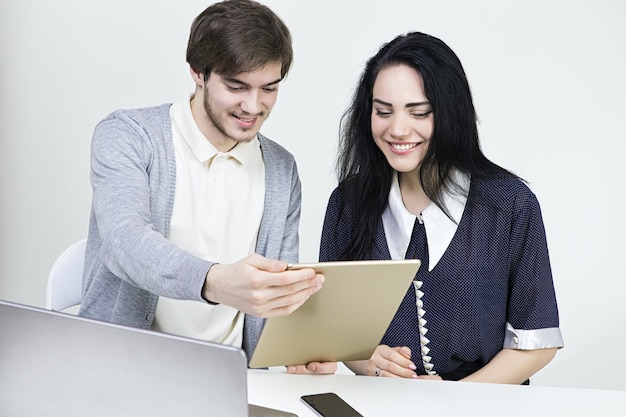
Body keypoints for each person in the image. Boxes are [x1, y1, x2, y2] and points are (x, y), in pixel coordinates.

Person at [79, 0, 335, 374]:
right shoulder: (128, 136)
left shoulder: (281, 169)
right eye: (236, 86)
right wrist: (215, 282)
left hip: (231, 381)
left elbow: (276, 292)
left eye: (269, 88)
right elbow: (123, 241)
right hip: (123, 372)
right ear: (198, 72)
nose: (254, 105)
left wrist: (298, 348)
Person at [318, 31, 564, 383]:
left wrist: (453, 400)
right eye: (383, 111)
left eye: (419, 113)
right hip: (382, 404)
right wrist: (368, 360)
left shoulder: (510, 204)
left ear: (450, 114)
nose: (398, 129)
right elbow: (331, 327)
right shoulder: (347, 204)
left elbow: (536, 343)